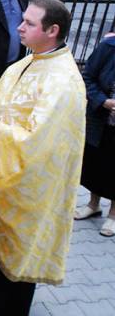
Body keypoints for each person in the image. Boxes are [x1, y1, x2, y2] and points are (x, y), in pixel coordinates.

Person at [0, 0, 87, 312]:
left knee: (11, 287)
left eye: (29, 23)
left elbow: (37, 145)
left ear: (52, 30)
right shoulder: (29, 61)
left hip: (26, 195)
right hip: (1, 183)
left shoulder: (63, 82)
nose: (20, 26)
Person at [75, 34, 115, 236]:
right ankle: (93, 204)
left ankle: (113, 216)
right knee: (96, 163)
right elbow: (88, 77)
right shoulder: (108, 46)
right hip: (101, 120)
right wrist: (103, 101)